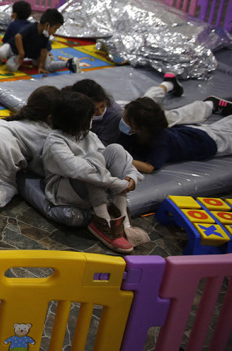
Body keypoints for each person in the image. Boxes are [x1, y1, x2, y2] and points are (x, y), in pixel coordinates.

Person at [41, 92, 142, 254]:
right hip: (66, 190)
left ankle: (124, 221)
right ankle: (104, 222)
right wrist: (118, 184)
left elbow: (114, 159)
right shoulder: (55, 141)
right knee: (92, 162)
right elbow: (77, 169)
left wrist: (131, 177)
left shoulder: (89, 135)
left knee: (115, 149)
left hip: (97, 188)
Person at [0, 86, 61, 231]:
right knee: (6, 185)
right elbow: (39, 166)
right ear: (51, 117)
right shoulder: (47, 133)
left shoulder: (17, 118)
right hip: (2, 146)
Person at [69, 76, 221, 146]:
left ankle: (210, 104)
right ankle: (168, 84)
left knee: (169, 117)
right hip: (127, 109)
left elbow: (102, 144)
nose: (99, 111)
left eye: (101, 107)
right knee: (144, 101)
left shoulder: (115, 116)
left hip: (129, 115)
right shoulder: (78, 104)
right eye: (95, 109)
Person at [117, 97, 232, 174]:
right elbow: (119, 148)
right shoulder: (131, 131)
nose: (123, 120)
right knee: (219, 128)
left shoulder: (161, 140)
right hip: (189, 133)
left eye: (127, 118)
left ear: (142, 127)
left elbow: (149, 167)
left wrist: (121, 159)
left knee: (223, 134)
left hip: (207, 142)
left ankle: (213, 104)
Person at [0, 8, 80, 74]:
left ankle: (68, 64)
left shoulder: (45, 35)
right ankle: (5, 58)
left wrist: (41, 67)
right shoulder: (32, 27)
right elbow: (18, 37)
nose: (55, 31)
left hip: (25, 55)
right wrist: (21, 53)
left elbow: (43, 51)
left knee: (46, 66)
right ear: (47, 25)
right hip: (13, 48)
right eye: (55, 28)